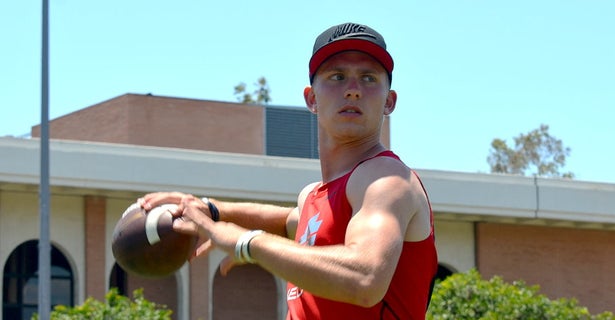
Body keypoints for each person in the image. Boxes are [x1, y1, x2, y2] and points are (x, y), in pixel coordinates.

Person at [139, 22, 438, 320]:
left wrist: (244, 242)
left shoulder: (385, 179)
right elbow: (289, 223)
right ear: (311, 98)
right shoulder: (314, 196)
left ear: (389, 101)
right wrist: (208, 210)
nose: (353, 90)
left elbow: (365, 278)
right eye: (337, 76)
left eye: (368, 78)